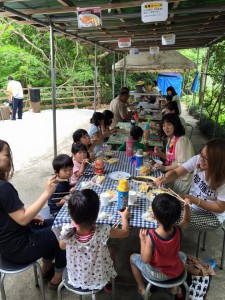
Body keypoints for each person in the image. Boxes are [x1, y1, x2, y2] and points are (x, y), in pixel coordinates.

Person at [0, 139, 66, 290]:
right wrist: (47, 193)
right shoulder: (4, 188)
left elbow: (12, 213)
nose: (10, 157)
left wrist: (30, 215)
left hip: (6, 246)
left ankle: (47, 265)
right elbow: (22, 219)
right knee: (64, 230)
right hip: (20, 247)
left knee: (51, 223)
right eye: (6, 154)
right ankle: (58, 276)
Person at [59, 189, 130, 290]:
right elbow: (125, 233)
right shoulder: (103, 230)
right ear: (96, 214)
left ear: (71, 214)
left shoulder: (67, 231)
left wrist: (73, 223)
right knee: (111, 251)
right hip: (99, 278)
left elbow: (62, 246)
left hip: (76, 278)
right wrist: (124, 217)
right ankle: (108, 281)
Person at [155, 138, 225, 231]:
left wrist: (194, 200)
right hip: (191, 204)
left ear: (218, 163)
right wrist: (166, 178)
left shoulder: (222, 180)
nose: (201, 159)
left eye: (206, 158)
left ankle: (170, 242)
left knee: (167, 215)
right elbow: (176, 173)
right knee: (160, 205)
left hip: (212, 216)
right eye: (201, 154)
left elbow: (220, 208)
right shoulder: (198, 160)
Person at [130, 194, 190, 297]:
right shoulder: (178, 230)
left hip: (156, 275)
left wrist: (142, 240)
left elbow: (145, 260)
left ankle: (142, 288)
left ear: (154, 216)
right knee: (182, 255)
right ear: (176, 216)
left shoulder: (152, 236)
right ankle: (174, 287)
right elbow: (186, 220)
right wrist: (187, 207)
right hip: (176, 271)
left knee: (132, 258)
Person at [154, 114, 194, 194]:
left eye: (169, 124)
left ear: (175, 125)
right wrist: (160, 153)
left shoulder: (182, 141)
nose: (166, 128)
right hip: (174, 176)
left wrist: (165, 168)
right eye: (164, 125)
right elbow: (171, 159)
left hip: (182, 180)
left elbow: (183, 164)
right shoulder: (172, 138)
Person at [48, 154, 73, 218]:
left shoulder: (61, 179)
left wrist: (75, 184)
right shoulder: (57, 186)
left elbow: (66, 186)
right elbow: (58, 203)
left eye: (70, 169)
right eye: (65, 170)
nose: (68, 172)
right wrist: (71, 194)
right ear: (56, 172)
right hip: (57, 213)